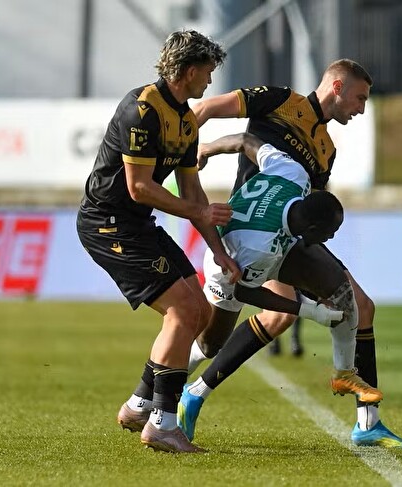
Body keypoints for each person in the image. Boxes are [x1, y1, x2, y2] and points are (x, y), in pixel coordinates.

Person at [182, 59, 402, 448]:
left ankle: (367, 422)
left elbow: (311, 209)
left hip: (288, 236)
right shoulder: (279, 101)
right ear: (337, 87)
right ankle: (183, 388)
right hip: (250, 236)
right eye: (360, 98)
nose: (361, 109)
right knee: (221, 338)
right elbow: (206, 108)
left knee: (357, 307)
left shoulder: (326, 149)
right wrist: (193, 150)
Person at [75, 30, 241, 454]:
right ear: (189, 70)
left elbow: (193, 193)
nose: (210, 80)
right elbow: (139, 188)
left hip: (136, 224)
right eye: (207, 71)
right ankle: (163, 424)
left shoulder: (185, 121)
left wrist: (218, 250)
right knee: (182, 310)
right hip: (107, 224)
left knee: (200, 311)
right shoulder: (142, 109)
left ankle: (138, 407)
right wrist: (201, 214)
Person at [178, 132, 384, 444]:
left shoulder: (293, 173)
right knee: (210, 345)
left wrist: (208, 149)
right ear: (312, 228)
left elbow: (247, 140)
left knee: (343, 295)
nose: (331, 239)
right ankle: (176, 388)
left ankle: (344, 375)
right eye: (330, 233)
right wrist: (309, 311)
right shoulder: (256, 248)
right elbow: (246, 292)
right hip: (232, 265)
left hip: (279, 242)